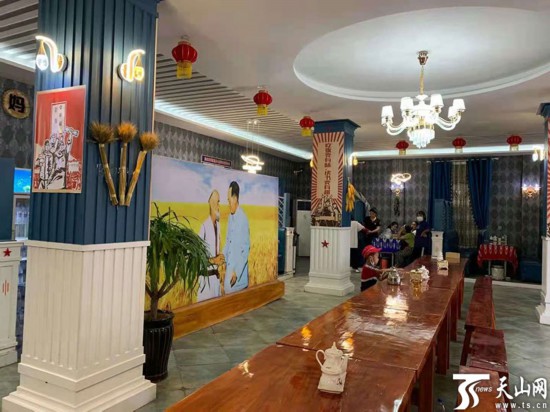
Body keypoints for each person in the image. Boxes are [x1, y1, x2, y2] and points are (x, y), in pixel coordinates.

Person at [197, 190, 225, 302]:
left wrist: (221, 257)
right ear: (210, 203)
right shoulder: (203, 226)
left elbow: (217, 250)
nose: (218, 205)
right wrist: (213, 260)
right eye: (216, 202)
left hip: (216, 280)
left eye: (218, 202)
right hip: (205, 280)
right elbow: (197, 258)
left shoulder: (218, 225)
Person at [223, 181, 250, 294]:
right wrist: (222, 257)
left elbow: (245, 249)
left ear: (235, 198)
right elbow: (228, 241)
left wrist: (237, 272)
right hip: (229, 272)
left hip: (237, 277)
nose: (228, 204)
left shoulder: (243, 219)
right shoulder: (230, 217)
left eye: (229, 200)